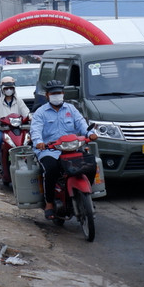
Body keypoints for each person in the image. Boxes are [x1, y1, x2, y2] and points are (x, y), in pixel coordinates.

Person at [31, 80, 97, 219]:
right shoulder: (40, 112)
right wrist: (39, 142)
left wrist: (89, 133)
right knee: (51, 169)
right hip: (49, 150)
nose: (57, 96)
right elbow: (35, 130)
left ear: (63, 94)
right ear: (47, 95)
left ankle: (86, 196)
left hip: (71, 148)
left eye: (59, 93)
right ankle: (49, 203)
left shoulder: (71, 109)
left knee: (91, 165)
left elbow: (81, 123)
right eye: (53, 93)